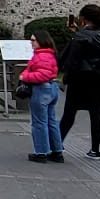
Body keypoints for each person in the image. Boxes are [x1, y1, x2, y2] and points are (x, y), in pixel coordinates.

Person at [59, 3, 100, 159]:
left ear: (84, 18)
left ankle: (57, 143)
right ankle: (95, 149)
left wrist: (65, 78)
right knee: (96, 113)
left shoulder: (80, 37)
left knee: (69, 113)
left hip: (80, 77)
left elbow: (73, 59)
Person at [18, 30, 65, 163]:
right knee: (51, 122)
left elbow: (42, 75)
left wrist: (24, 76)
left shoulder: (41, 56)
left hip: (41, 89)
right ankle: (57, 151)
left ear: (41, 41)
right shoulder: (49, 54)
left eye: (33, 40)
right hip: (52, 88)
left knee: (39, 122)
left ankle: (41, 152)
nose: (31, 42)